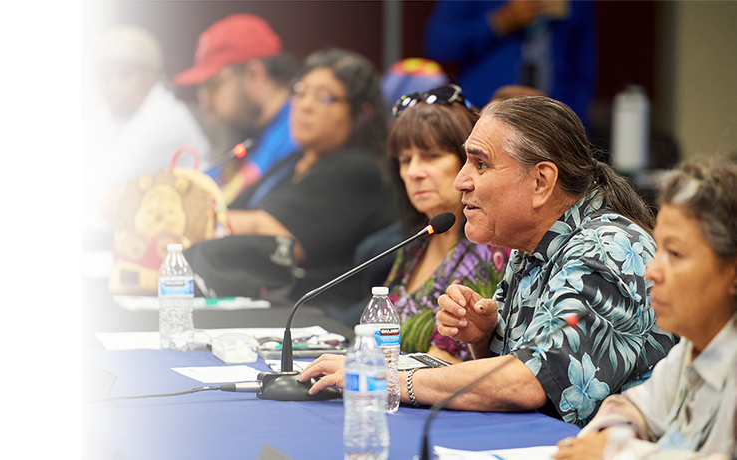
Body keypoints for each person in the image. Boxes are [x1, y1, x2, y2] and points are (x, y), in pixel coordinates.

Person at [299, 96, 676, 428]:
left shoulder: (606, 247)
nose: (462, 180)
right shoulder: (530, 246)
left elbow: (529, 382)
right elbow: (508, 382)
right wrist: (482, 339)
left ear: (541, 181)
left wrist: (384, 378)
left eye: (480, 165)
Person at [555, 156, 737, 460]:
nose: (651, 271)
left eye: (675, 254)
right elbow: (629, 407)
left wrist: (616, 452)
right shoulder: (693, 348)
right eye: (659, 248)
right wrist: (610, 441)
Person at [225, 48, 397, 309]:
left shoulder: (358, 169)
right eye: (301, 92)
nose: (304, 105)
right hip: (275, 304)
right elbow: (233, 211)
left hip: (323, 317)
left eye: (324, 98)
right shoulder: (296, 160)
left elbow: (266, 233)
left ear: (362, 113)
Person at [353, 85, 509, 362]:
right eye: (405, 160)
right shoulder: (419, 239)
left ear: (471, 162)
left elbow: (445, 363)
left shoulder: (489, 247)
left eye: (432, 156)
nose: (413, 172)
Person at [82, 25, 210, 224]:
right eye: (104, 77)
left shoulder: (162, 120)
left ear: (151, 75)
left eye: (124, 75)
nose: (113, 87)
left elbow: (93, 190)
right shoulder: (109, 109)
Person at [171, 13, 300, 204]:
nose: (205, 102)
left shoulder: (299, 129)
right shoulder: (250, 131)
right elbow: (212, 184)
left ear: (254, 74)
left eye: (212, 86)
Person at [423, 0, 596, 125]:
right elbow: (438, 43)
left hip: (553, 119)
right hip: (482, 114)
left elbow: (583, 65)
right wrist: (500, 21)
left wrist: (576, 120)